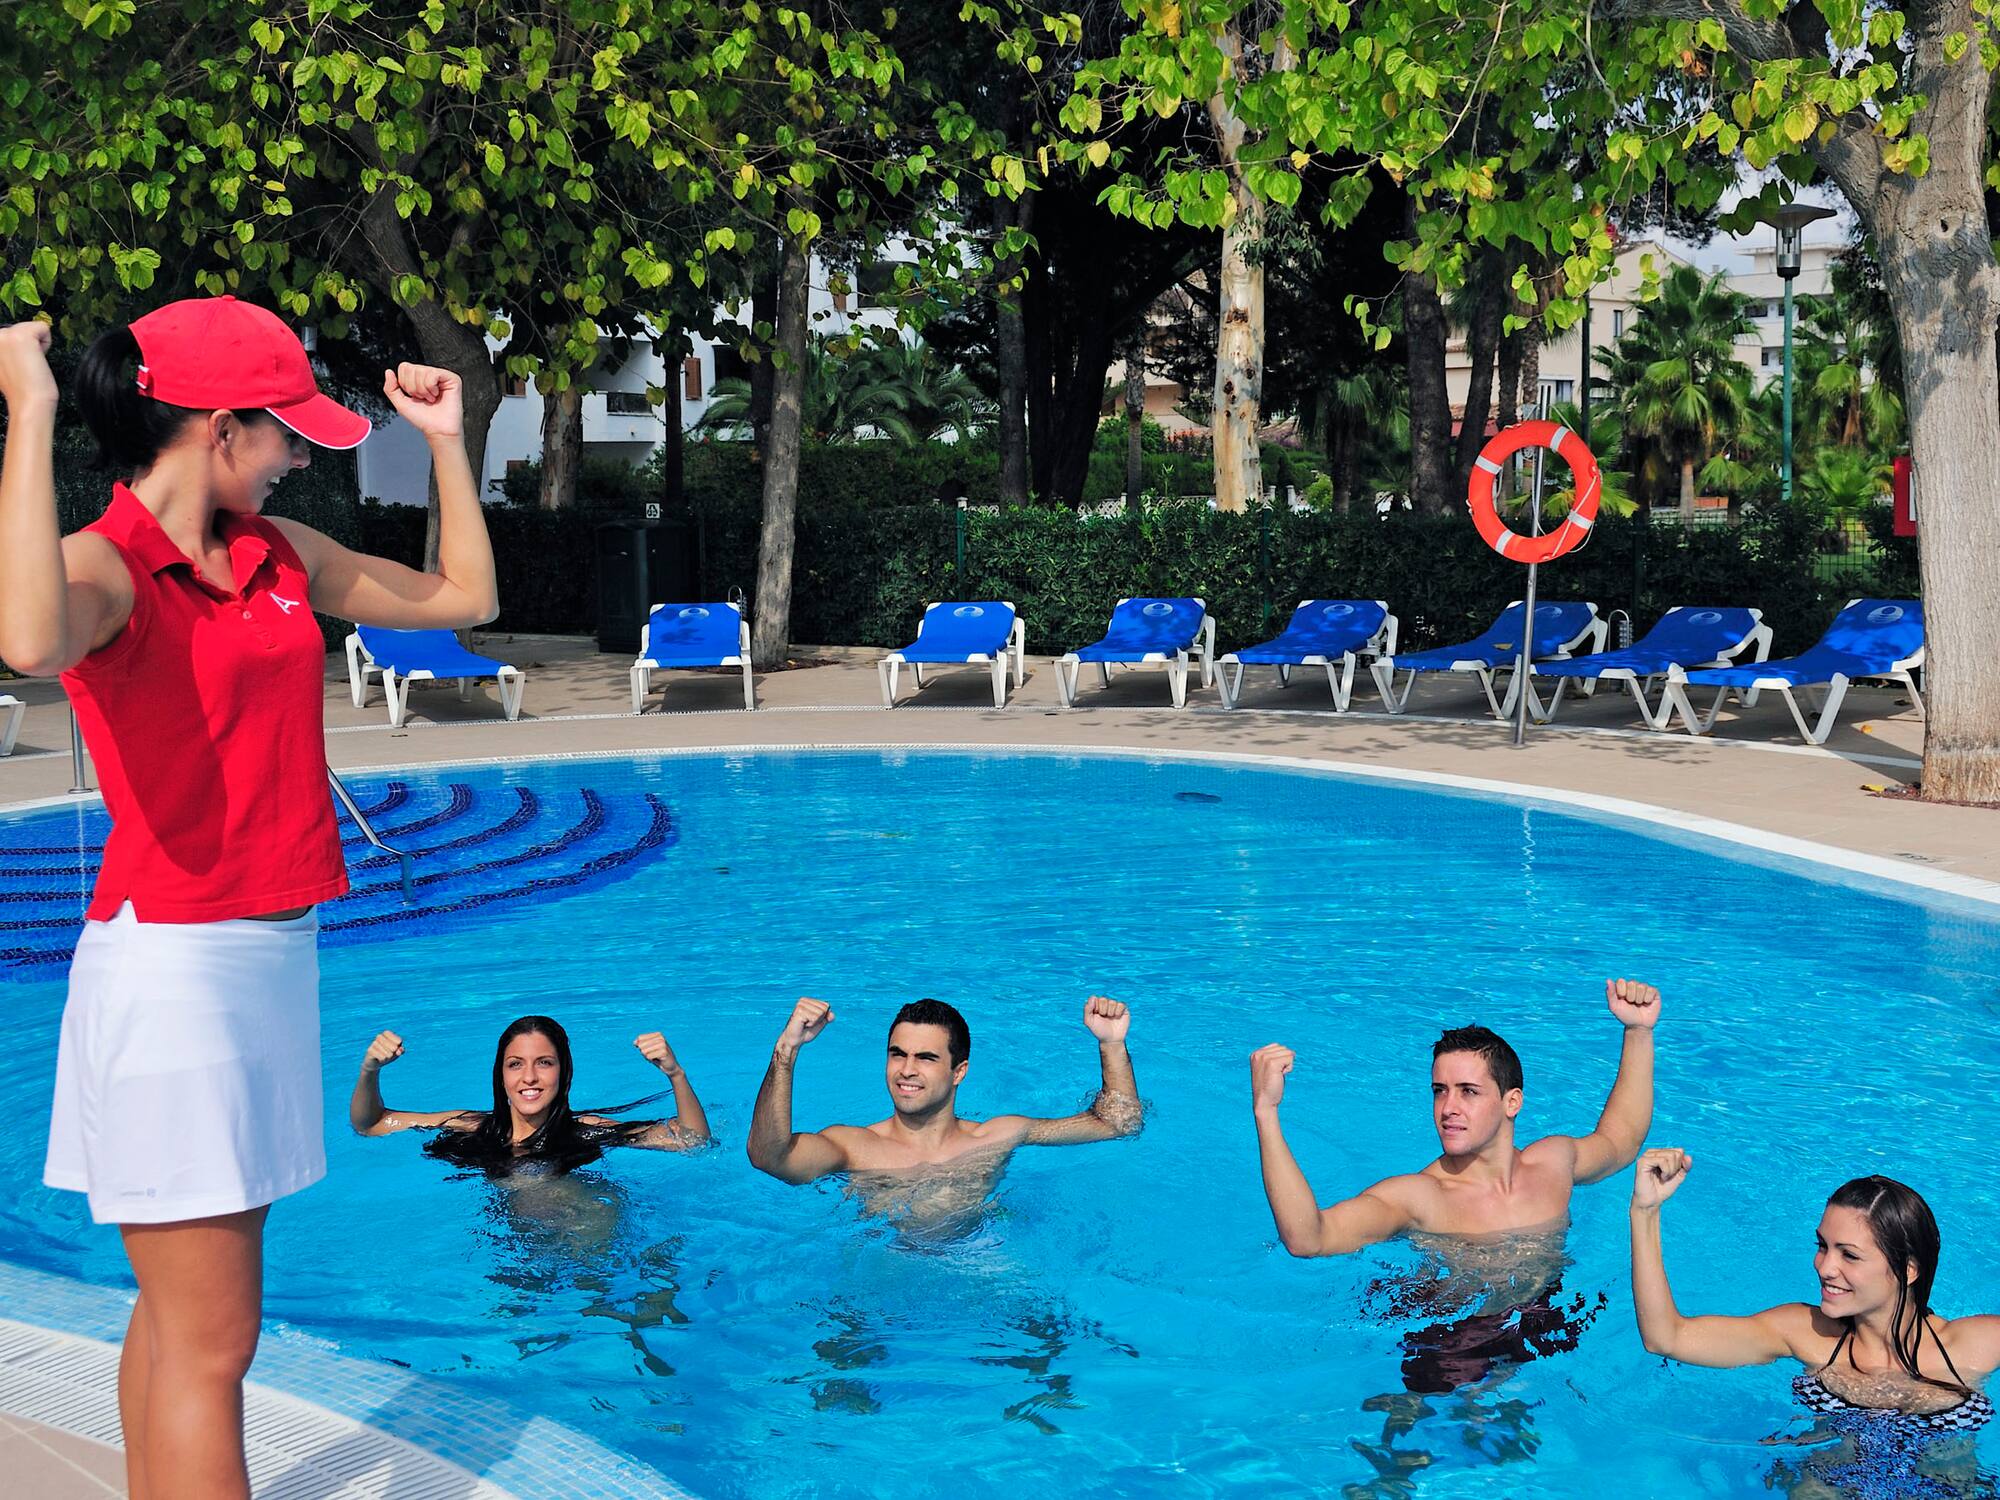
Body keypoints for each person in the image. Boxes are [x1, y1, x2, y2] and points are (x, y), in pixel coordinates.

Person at [0, 299, 499, 1500]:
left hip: (267, 960)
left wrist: (446, 440)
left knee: (181, 1323)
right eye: (282, 432)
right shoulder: (106, 566)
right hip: (177, 972)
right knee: (216, 1345)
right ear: (217, 430)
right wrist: (31, 412)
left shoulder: (280, 554)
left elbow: (460, 602)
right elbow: (25, 641)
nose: (294, 454)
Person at [1631, 1153, 1999, 1497]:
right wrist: (1644, 1212)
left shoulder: (1974, 1345)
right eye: (1822, 1245)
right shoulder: (1804, 1332)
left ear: (1907, 1270)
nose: (1824, 1267)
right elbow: (1666, 1338)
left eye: (1849, 1254)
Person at [1249, 979, 1662, 1255]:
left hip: (1547, 1317)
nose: (1448, 1108)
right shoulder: (1421, 1197)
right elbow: (1308, 1237)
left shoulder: (1553, 1163)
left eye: (1468, 1091)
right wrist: (1266, 1112)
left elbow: (1621, 1139)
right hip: (1452, 1343)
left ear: (1511, 1102)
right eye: (1439, 1091)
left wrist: (1638, 1031)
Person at [745, 995, 1142, 1208]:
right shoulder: (852, 1148)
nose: (906, 1070)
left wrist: (1111, 1043)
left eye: (926, 1058)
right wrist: (787, 1050)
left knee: (1049, 1346)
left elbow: (1118, 1124)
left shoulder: (998, 1136)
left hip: (979, 1257)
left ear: (959, 1071)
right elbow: (769, 1157)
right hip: (883, 1271)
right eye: (897, 1054)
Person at [349, 1016, 710, 1171]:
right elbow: (372, 1124)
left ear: (563, 1073)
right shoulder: (471, 1126)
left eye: (545, 1063)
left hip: (590, 1234)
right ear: (501, 1076)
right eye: (515, 1064)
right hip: (520, 1253)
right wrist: (370, 1069)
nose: (530, 1078)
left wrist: (675, 1074)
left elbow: (692, 1141)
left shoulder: (586, 1129)